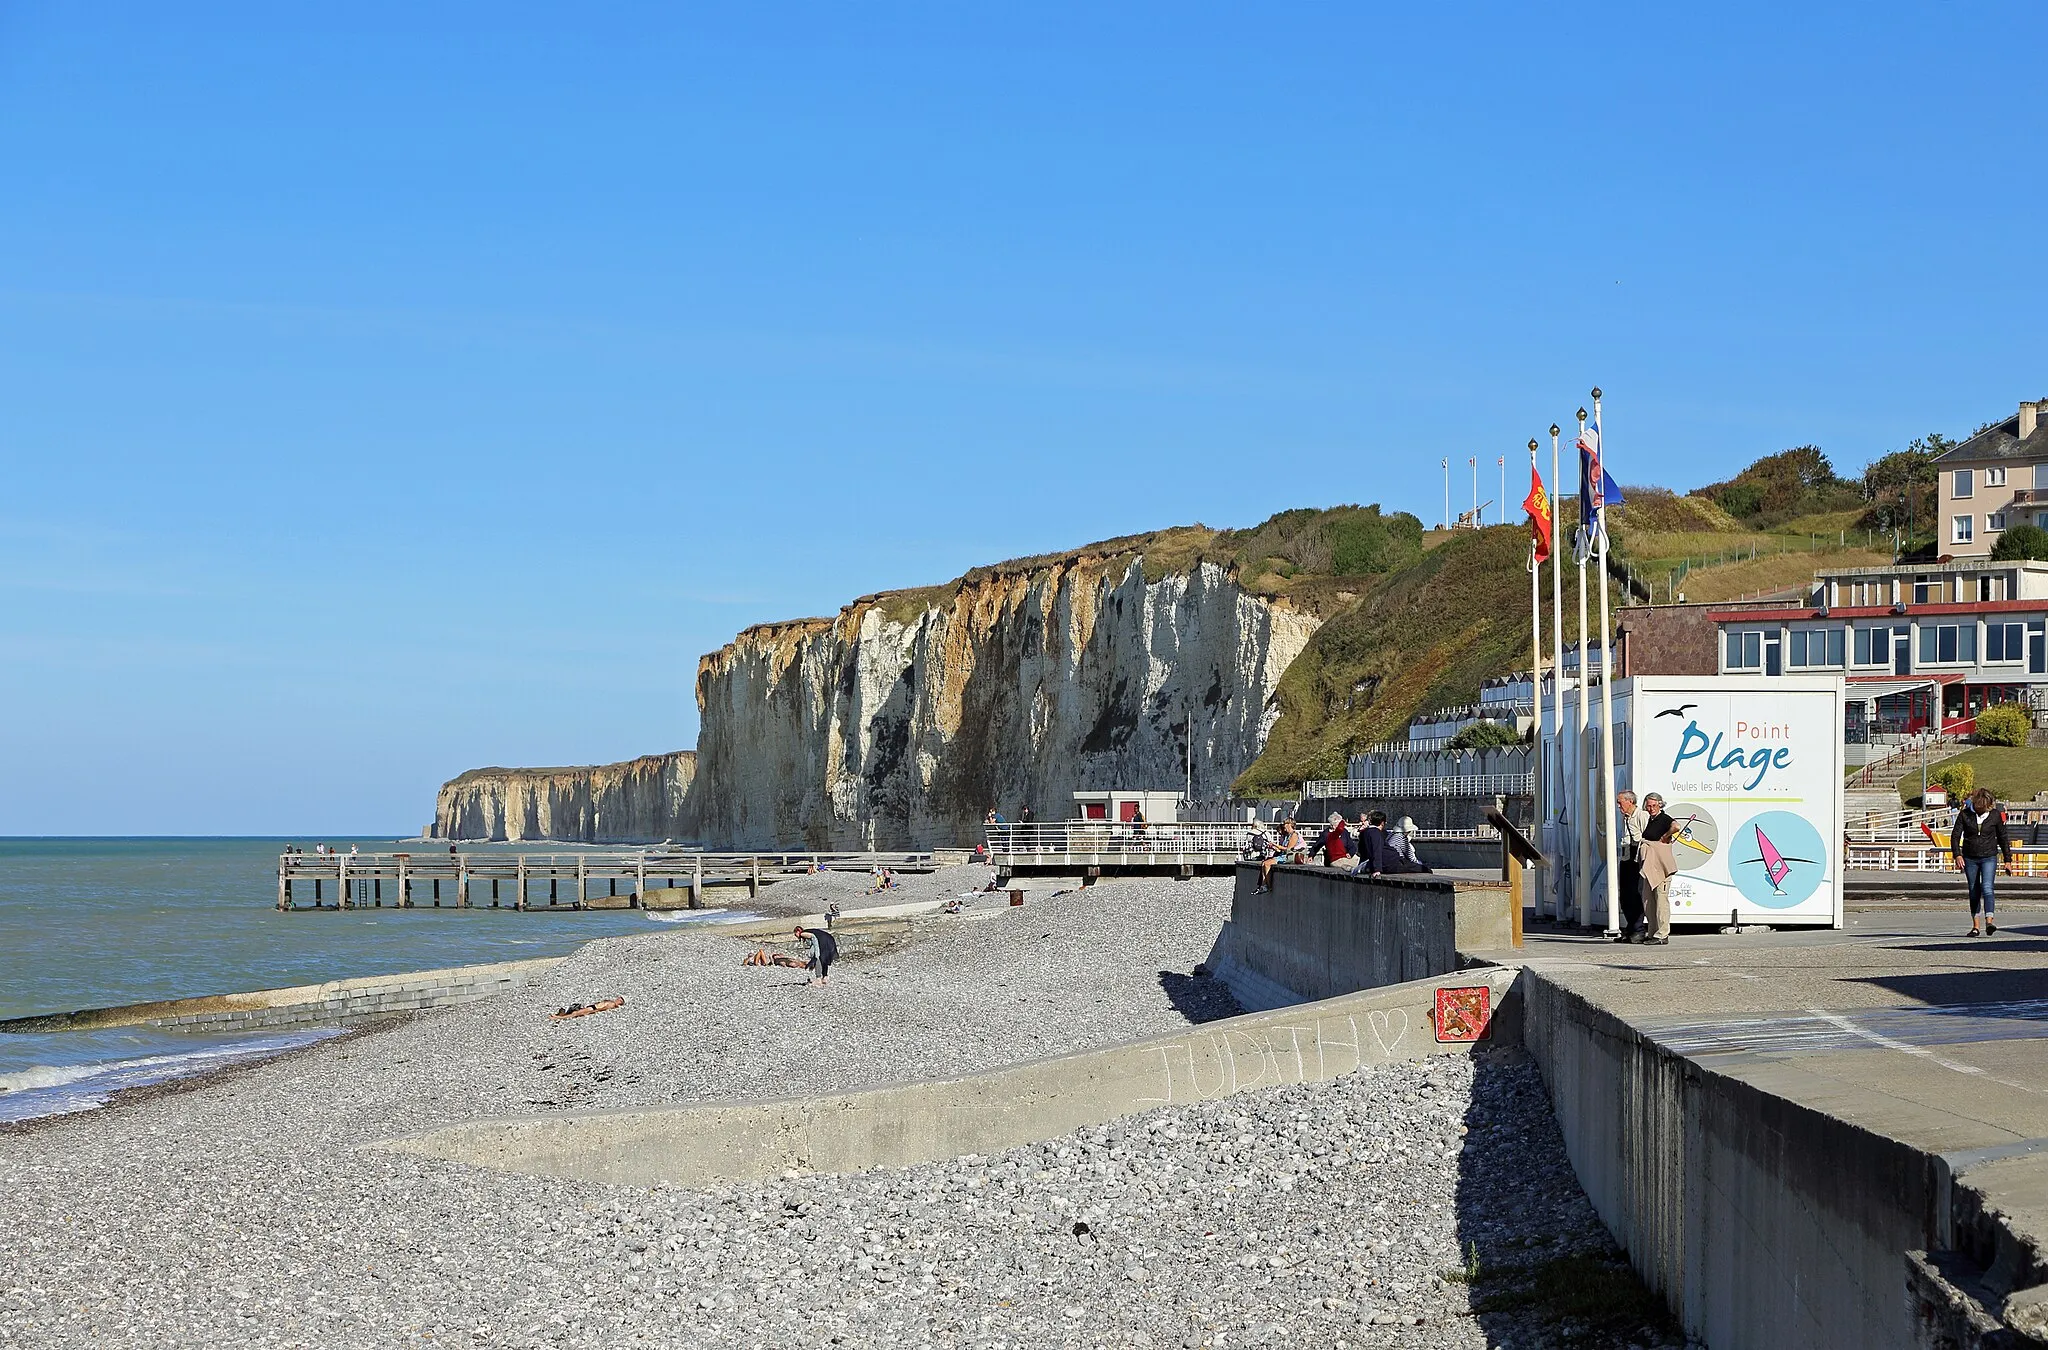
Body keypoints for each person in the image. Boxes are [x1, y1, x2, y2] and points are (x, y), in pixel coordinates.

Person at [1952, 787, 2014, 937]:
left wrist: (2007, 859)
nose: (1984, 809)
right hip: (1970, 857)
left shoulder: (1995, 816)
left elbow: (2003, 837)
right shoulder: (1965, 815)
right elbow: (1955, 836)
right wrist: (1957, 855)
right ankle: (1975, 926)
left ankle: (1989, 922)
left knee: (1987, 888)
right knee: (1974, 890)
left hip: (1989, 856)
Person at [1637, 793, 1677, 944]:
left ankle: (1662, 934)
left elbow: (1676, 826)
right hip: (1649, 867)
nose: (1651, 808)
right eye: (1649, 805)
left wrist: (1666, 836)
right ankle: (1652, 932)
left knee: (1661, 900)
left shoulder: (1664, 818)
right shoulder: (1650, 820)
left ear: (1660, 805)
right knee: (1648, 900)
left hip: (1661, 867)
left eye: (1654, 805)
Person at [1614, 791, 1650, 943]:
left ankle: (1639, 929)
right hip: (1626, 856)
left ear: (1630, 801)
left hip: (1636, 857)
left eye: (1620, 802)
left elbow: (1647, 837)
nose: (1618, 805)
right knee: (1625, 894)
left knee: (1635, 893)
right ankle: (1630, 927)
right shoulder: (1625, 818)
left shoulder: (1641, 816)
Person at [551, 995, 626, 1020]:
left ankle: (558, 1018)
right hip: (592, 1007)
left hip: (593, 1009)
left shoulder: (612, 1004)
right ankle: (559, 1016)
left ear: (621, 1002)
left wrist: (591, 1012)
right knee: (575, 1011)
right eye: (619, 998)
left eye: (620, 999)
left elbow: (602, 1009)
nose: (618, 999)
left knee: (575, 1013)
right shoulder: (612, 1002)